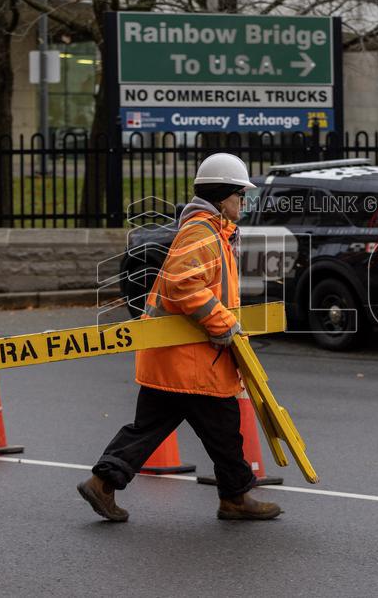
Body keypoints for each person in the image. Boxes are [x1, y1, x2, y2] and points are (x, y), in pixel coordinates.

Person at [78, 152, 282, 522]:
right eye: (240, 195)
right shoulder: (202, 233)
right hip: (192, 362)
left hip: (173, 358)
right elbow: (184, 285)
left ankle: (102, 482)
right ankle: (235, 498)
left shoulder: (210, 231)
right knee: (224, 432)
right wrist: (223, 324)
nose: (244, 202)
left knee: (148, 429)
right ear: (221, 196)